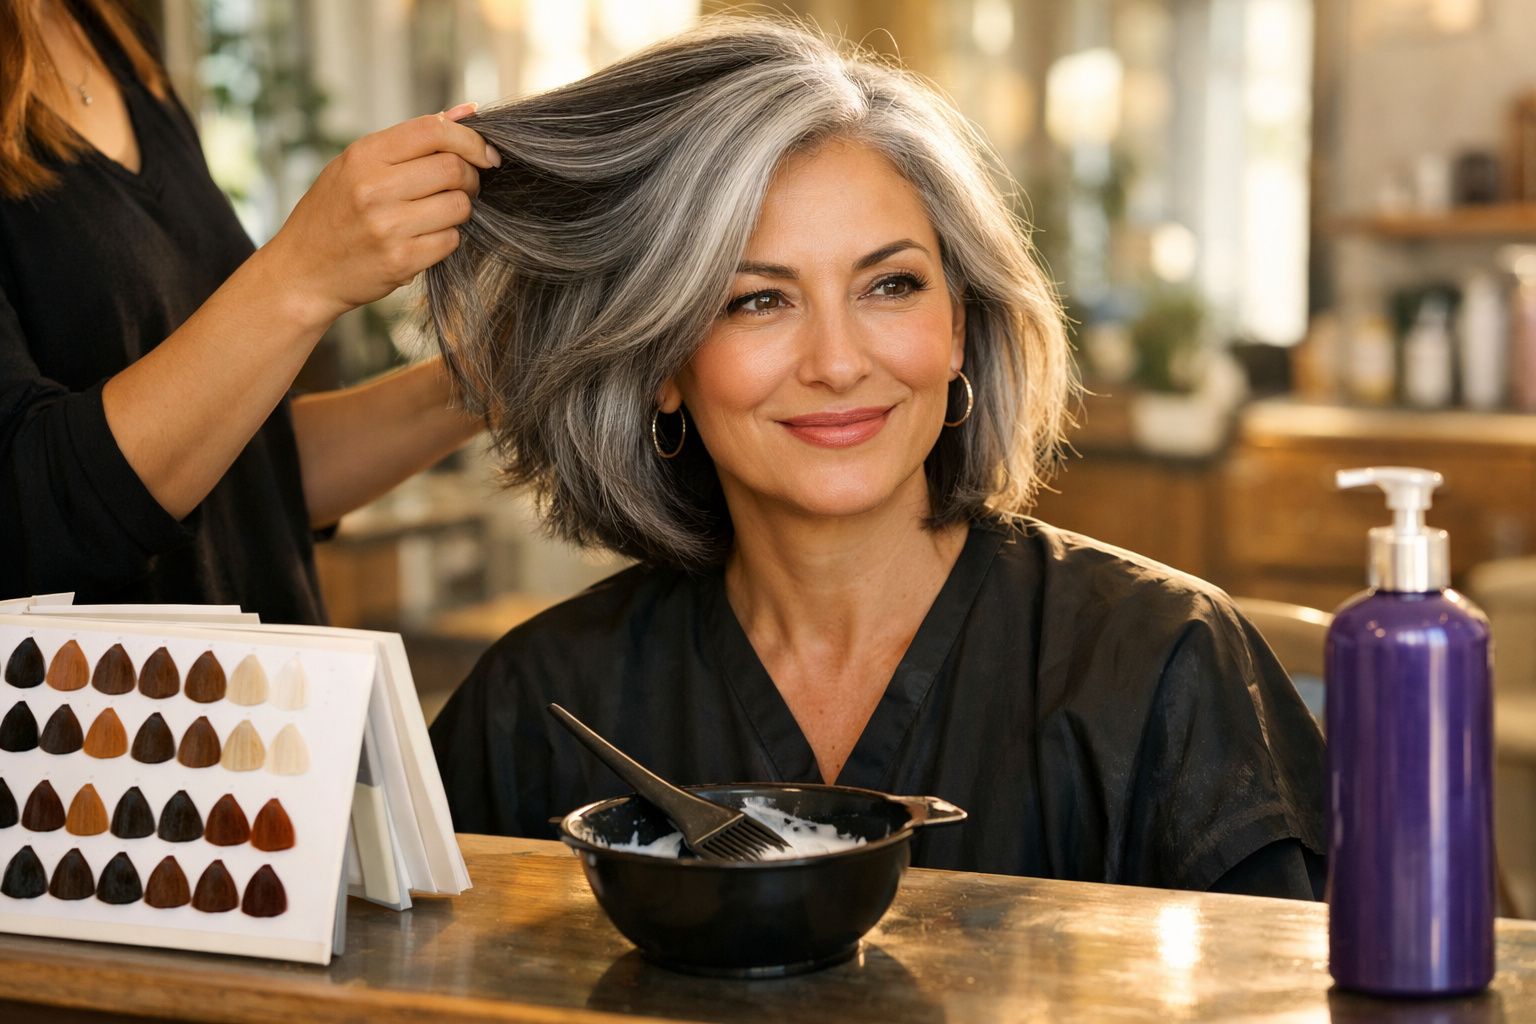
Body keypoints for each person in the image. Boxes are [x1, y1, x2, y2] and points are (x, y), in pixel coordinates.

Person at [425, 18, 1326, 898]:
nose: (839, 362)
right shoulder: (539, 704)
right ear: (663, 364)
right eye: (756, 301)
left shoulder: (1164, 663)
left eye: (890, 286)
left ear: (960, 329)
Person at [0, 0, 493, 622]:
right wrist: (303, 272)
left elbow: (252, 475)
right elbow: (29, 517)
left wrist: (493, 375)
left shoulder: (114, 45)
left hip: (267, 703)